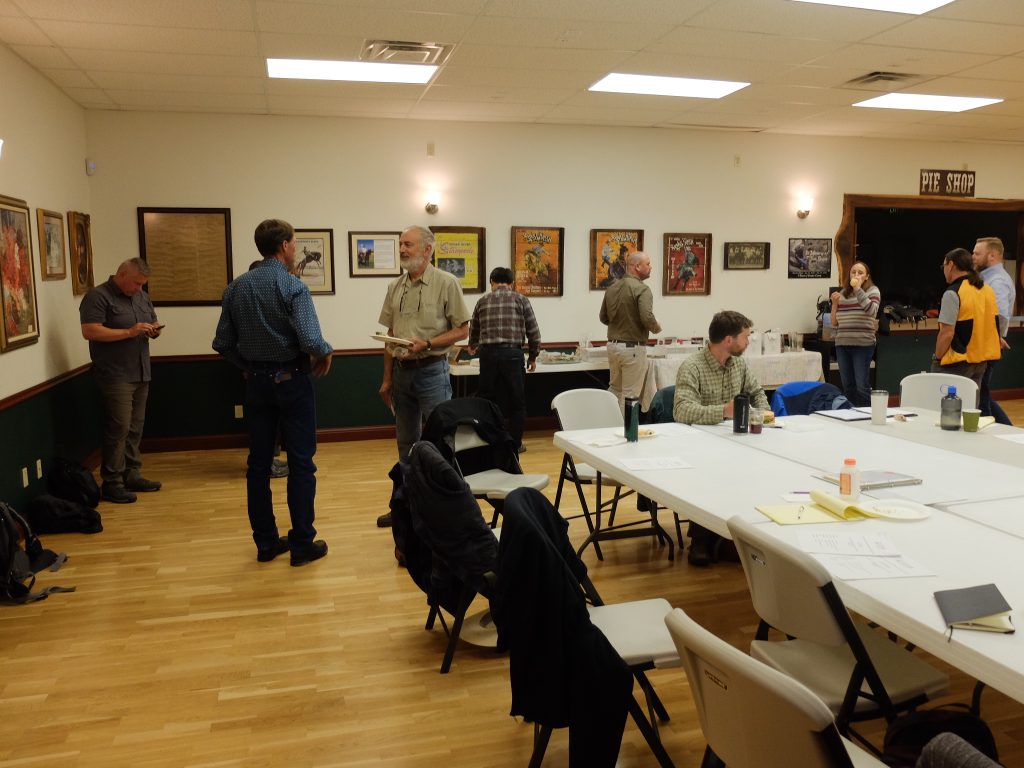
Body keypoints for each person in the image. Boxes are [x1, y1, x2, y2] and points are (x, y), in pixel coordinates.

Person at [212, 219, 333, 566]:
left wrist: (248, 367)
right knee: (300, 465)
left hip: (257, 385)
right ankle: (301, 545)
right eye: (295, 243)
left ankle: (266, 544)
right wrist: (326, 351)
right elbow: (310, 340)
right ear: (283, 246)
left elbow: (222, 343)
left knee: (258, 465)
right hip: (292, 382)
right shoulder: (293, 287)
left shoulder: (236, 288)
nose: (295, 248)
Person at [376, 225, 470, 527]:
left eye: (408, 245)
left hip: (432, 372)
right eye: (401, 244)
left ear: (427, 249)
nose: (402, 250)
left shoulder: (446, 283)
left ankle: (448, 507)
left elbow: (462, 330)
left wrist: (428, 343)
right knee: (406, 444)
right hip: (402, 375)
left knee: (442, 442)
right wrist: (387, 379)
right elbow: (390, 336)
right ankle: (407, 505)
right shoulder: (395, 287)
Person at [673, 310, 770, 566]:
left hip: (737, 440)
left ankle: (744, 535)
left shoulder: (739, 364)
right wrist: (723, 412)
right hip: (699, 444)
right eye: (745, 337)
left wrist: (764, 413)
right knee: (710, 470)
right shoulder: (692, 366)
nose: (748, 342)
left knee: (760, 466)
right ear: (729, 340)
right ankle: (701, 538)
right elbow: (682, 410)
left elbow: (757, 393)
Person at [80, 258, 163, 504]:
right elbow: (90, 331)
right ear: (122, 274)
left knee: (135, 427)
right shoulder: (98, 297)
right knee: (119, 428)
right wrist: (129, 332)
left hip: (141, 371)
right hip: (115, 375)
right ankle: (112, 482)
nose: (139, 288)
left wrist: (154, 329)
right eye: (136, 283)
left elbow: (150, 322)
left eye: (142, 285)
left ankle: (131, 473)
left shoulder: (141, 297)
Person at [468, 266, 541, 451]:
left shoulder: (482, 301)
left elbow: (474, 328)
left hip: (488, 355)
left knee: (487, 401)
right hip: (513, 355)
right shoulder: (521, 300)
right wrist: (532, 356)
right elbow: (533, 331)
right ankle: (515, 444)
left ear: (491, 282)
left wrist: (472, 344)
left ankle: (488, 441)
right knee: (516, 401)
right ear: (511, 283)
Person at [599, 251, 661, 414]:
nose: (650, 267)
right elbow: (646, 316)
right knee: (630, 396)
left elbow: (603, 317)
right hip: (633, 348)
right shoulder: (642, 289)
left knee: (614, 390)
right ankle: (628, 434)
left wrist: (619, 325)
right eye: (647, 264)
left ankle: (608, 426)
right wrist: (656, 328)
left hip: (612, 346)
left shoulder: (611, 288)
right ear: (637, 266)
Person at [932, 248, 1000, 390]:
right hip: (981, 362)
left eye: (943, 266)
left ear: (950, 265)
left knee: (945, 409)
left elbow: (947, 333)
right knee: (970, 409)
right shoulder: (987, 290)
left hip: (956, 363)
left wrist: (938, 357)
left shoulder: (953, 293)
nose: (943, 270)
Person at [973, 237, 1014, 424]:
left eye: (977, 253)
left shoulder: (997, 281)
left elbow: (1001, 315)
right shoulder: (986, 278)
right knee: (982, 394)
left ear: (992, 256)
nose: (972, 257)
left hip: (988, 347)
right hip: (983, 345)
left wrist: (996, 337)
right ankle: (1011, 431)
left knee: (981, 396)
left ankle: (998, 433)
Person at [829, 260, 880, 407]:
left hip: (863, 344)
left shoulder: (873, 291)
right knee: (847, 386)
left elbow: (872, 311)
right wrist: (834, 304)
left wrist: (858, 289)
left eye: (860, 273)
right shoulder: (843, 293)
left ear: (866, 276)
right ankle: (850, 416)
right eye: (853, 272)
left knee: (861, 386)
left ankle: (867, 415)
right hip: (842, 344)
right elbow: (834, 322)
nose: (856, 275)